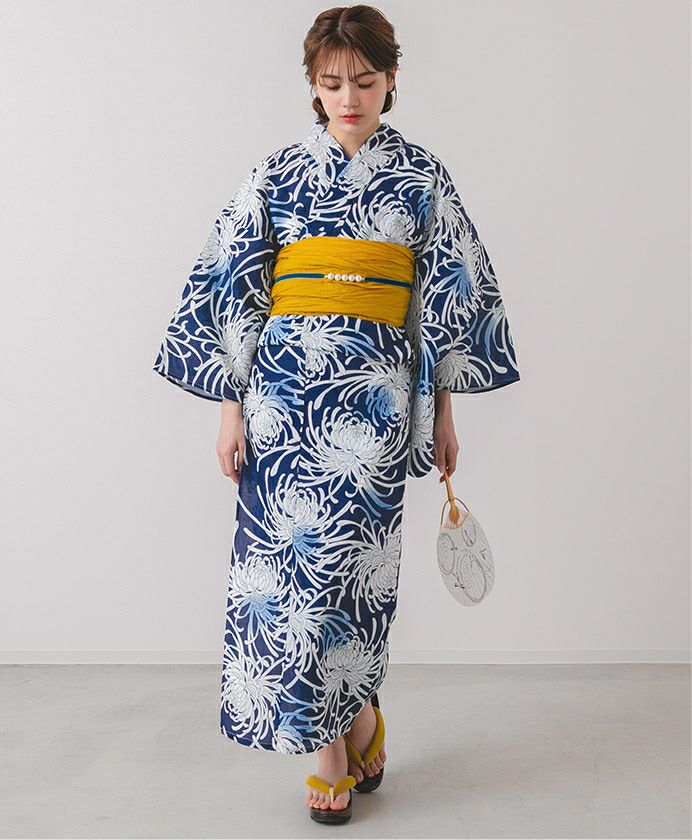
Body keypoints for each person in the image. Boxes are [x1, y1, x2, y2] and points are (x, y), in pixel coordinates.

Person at [152, 4, 520, 825]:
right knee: (291, 576)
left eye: (365, 81)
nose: (348, 98)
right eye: (331, 83)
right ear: (312, 87)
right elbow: (234, 289)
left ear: (392, 80)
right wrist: (229, 411)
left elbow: (449, 297)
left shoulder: (421, 177)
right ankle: (329, 746)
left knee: (355, 572)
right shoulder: (277, 173)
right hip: (282, 399)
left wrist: (443, 412)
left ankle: (356, 712)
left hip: (378, 402)